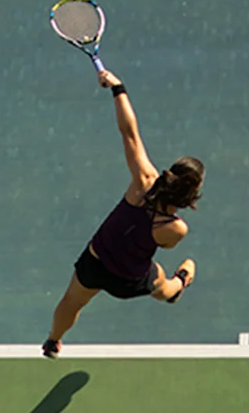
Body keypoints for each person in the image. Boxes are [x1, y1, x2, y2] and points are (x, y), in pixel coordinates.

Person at [43, 69, 203, 358]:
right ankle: (180, 283)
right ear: (191, 194)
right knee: (163, 286)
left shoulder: (143, 180)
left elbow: (130, 133)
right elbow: (165, 244)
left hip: (96, 260)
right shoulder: (177, 228)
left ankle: (53, 341)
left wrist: (118, 88)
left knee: (71, 303)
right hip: (126, 279)